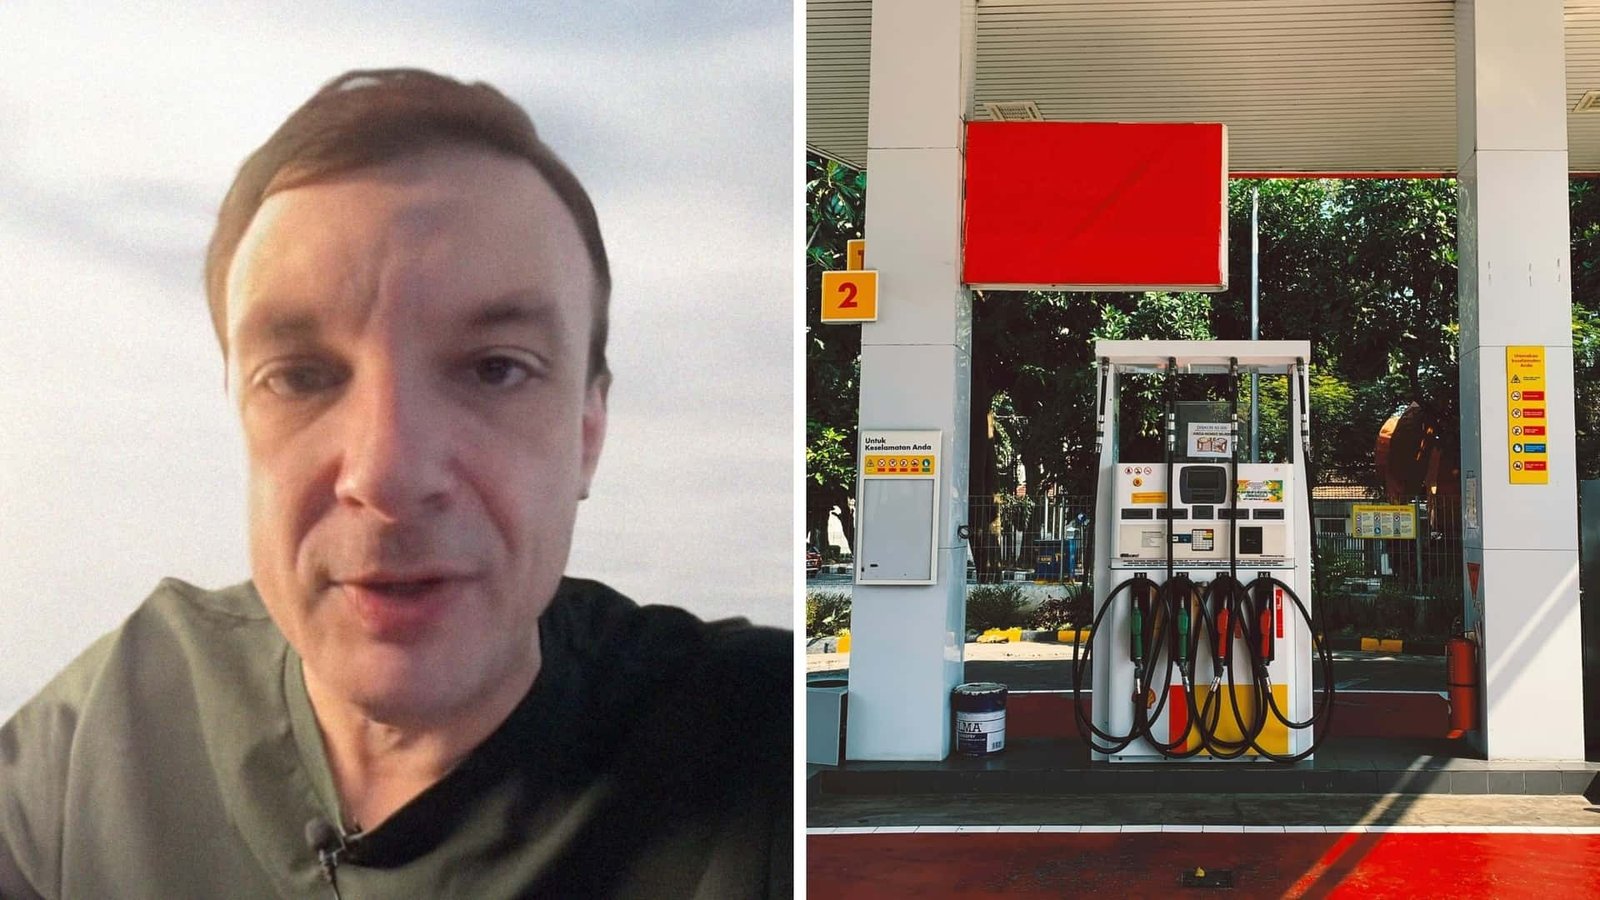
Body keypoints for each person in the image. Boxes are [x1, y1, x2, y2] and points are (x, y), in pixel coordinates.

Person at [0, 68, 791, 899]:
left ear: (587, 434)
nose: (387, 474)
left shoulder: (755, 753)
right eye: (301, 377)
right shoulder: (111, 730)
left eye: (494, 370)